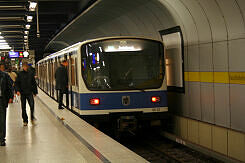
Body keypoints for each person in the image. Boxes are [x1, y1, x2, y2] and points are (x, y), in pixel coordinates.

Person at [0, 62, 13, 146]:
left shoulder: (5, 76)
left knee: (2, 120)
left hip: (2, 100)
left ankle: (2, 139)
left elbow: (9, 86)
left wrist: (10, 97)